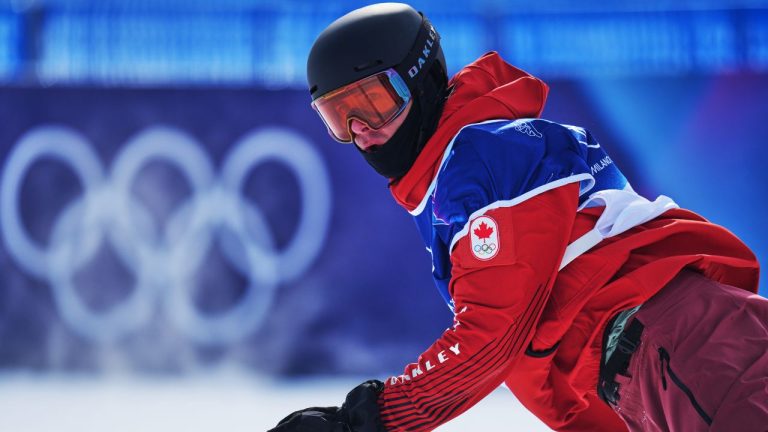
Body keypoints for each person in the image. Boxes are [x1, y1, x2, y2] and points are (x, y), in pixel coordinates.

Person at [270, 3, 767, 431]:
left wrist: (372, 418)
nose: (361, 132)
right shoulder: (455, 176)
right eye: (339, 117)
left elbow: (492, 335)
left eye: (373, 104)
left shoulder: (485, 156)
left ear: (420, 81)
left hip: (685, 350)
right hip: (661, 364)